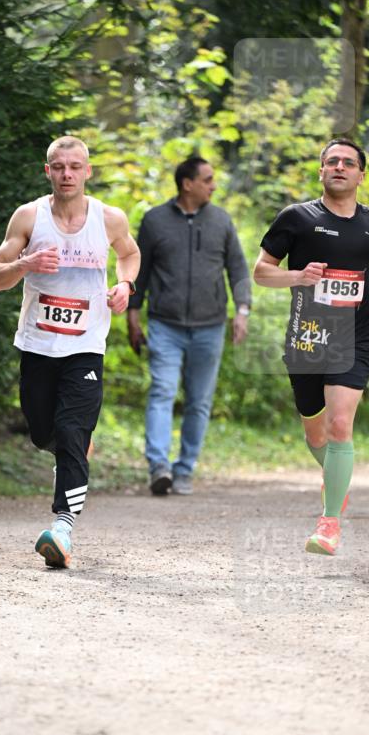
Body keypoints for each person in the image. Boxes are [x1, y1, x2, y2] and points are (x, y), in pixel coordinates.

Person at [0, 136, 140, 568]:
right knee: (44, 433)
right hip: (38, 345)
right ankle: (69, 455)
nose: (67, 174)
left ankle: (62, 528)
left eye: (75, 167)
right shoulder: (29, 217)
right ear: (48, 171)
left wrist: (125, 285)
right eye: (59, 167)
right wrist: (26, 264)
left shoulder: (108, 218)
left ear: (88, 171)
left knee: (73, 430)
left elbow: (130, 253)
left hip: (85, 347)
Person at [253, 137, 369, 555]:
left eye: (348, 163)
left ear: (360, 175)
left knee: (338, 426)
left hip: (355, 338)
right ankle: (336, 479)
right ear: (321, 171)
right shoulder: (297, 218)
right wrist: (297, 277)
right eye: (332, 161)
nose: (339, 167)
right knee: (316, 434)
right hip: (308, 336)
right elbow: (261, 271)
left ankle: (329, 522)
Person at [127, 156, 252, 495]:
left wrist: (242, 310)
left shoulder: (221, 221)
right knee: (162, 391)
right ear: (187, 184)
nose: (214, 185)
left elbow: (238, 269)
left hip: (210, 326)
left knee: (198, 401)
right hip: (164, 325)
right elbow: (140, 270)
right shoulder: (154, 220)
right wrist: (132, 314)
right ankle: (159, 467)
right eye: (207, 179)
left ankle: (184, 469)